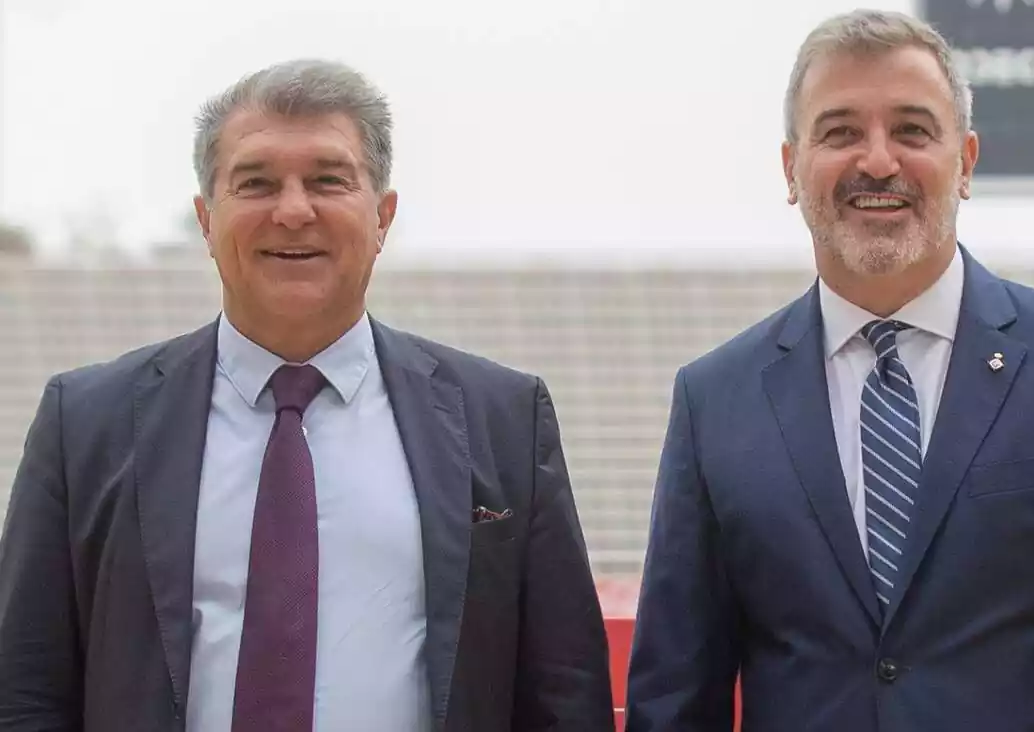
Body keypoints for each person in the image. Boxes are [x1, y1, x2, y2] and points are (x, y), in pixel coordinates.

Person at [624, 9, 1034, 730]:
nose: (877, 161)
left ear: (965, 162)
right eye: (839, 132)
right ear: (791, 168)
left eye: (912, 130)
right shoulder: (714, 400)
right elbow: (675, 693)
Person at [0, 59, 615, 732]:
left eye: (328, 180)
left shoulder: (503, 420)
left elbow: (565, 694)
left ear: (382, 217)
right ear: (206, 220)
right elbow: (26, 686)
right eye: (257, 183)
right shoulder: (86, 424)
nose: (293, 211)